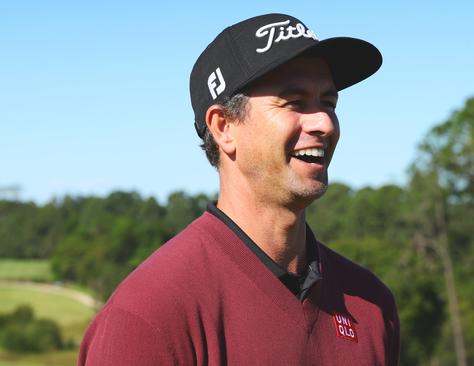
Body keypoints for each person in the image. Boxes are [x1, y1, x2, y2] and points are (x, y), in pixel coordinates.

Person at [78, 13, 400, 365]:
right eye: (294, 102)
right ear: (224, 127)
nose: (324, 123)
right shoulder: (147, 319)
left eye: (328, 103)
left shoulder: (370, 305)